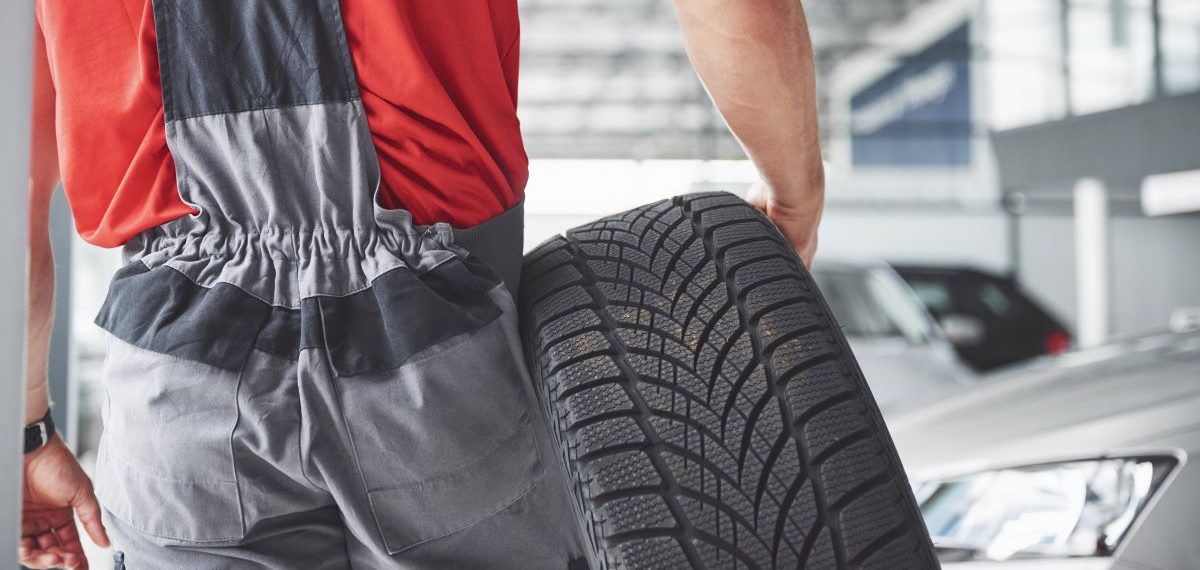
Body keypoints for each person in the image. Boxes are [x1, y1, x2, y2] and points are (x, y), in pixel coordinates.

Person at [20, 0, 825, 568]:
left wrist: (24, 427)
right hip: (434, 344)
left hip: (178, 378)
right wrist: (792, 189)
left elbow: (15, 183)